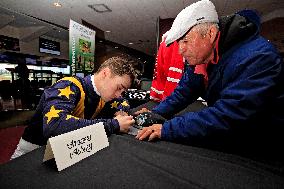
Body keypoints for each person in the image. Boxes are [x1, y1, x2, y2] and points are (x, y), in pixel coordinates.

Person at [136, 0, 284, 163]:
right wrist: (156, 113)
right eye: (179, 43)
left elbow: (229, 114)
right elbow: (184, 91)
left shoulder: (258, 57)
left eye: (185, 41)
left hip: (264, 146)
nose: (180, 50)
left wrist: (168, 129)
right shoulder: (201, 57)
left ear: (211, 33)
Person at [11, 56, 136, 159]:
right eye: (119, 88)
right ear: (105, 73)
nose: (119, 94)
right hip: (33, 150)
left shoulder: (104, 94)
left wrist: (122, 111)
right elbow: (54, 125)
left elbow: (122, 101)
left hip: (61, 152)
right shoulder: (69, 85)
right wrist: (113, 124)